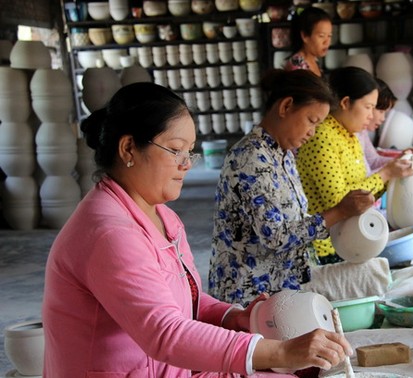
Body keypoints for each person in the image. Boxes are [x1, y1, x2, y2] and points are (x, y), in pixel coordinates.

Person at [42, 82, 353, 377]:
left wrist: (232, 316)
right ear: (128, 149)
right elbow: (165, 333)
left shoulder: (161, 216)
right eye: (176, 150)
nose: (186, 164)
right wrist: (280, 352)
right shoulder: (110, 233)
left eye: (189, 152)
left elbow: (182, 302)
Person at [207, 69, 374, 307]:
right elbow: (276, 236)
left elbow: (294, 218)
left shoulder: (282, 154)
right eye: (311, 121)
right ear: (286, 107)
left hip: (279, 288)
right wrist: (339, 212)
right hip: (249, 295)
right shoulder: (250, 158)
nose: (312, 132)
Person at [296, 67, 413, 265]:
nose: (372, 115)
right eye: (368, 107)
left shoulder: (350, 135)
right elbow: (342, 203)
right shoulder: (322, 138)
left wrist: (395, 172)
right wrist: (386, 174)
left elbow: (363, 194)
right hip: (326, 249)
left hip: (350, 242)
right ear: (345, 103)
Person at [357, 78, 398, 175]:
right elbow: (362, 179)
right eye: (381, 111)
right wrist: (389, 172)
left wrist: (401, 160)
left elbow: (374, 161)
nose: (383, 119)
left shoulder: (361, 132)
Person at [284, 6, 333, 77]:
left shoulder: (314, 59)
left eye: (329, 36)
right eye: (321, 36)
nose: (327, 42)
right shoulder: (297, 66)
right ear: (305, 36)